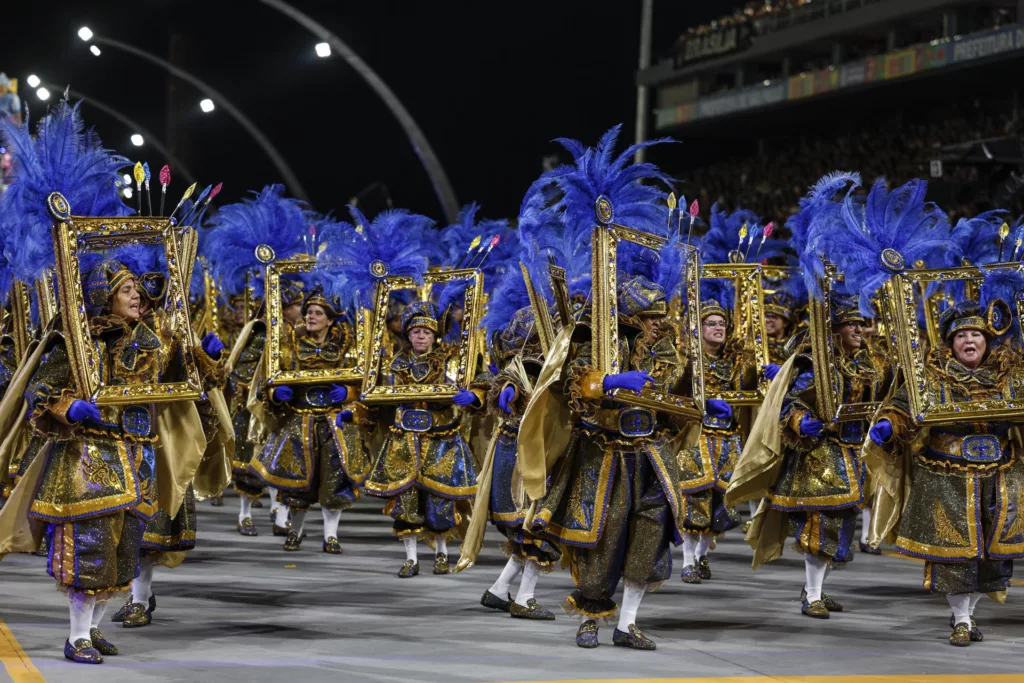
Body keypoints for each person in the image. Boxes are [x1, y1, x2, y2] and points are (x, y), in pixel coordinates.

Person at [865, 296, 1024, 646]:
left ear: (988, 341)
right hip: (946, 479)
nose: (969, 341)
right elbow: (902, 407)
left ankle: (966, 611)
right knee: (955, 556)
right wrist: (890, 425)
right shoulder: (931, 379)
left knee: (993, 558)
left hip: (1001, 477)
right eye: (961, 335)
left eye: (976, 335)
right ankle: (963, 619)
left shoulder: (1012, 374)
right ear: (950, 344)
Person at [364, 300, 479, 577]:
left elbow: (472, 383)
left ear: (434, 336)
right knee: (406, 502)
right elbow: (374, 394)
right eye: (416, 332)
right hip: (404, 440)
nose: (421, 336)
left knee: (440, 500)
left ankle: (441, 554)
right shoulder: (395, 364)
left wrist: (472, 395)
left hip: (441, 440)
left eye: (426, 332)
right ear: (408, 335)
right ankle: (411, 559)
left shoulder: (450, 361)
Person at [250, 287, 369, 553]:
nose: (311, 317)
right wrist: (276, 393)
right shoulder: (289, 346)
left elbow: (366, 385)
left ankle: (330, 536)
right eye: (309, 312)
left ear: (330, 319)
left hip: (333, 424)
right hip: (298, 422)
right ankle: (295, 531)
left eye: (318, 313)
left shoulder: (347, 349)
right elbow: (266, 382)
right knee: (298, 484)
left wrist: (348, 392)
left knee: (333, 482)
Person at [677, 293, 745, 583]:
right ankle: (688, 561)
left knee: (722, 506)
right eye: (711, 324)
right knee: (695, 502)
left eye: (722, 324)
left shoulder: (733, 364)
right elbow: (676, 395)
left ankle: (703, 556)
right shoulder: (688, 363)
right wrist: (703, 405)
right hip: (697, 438)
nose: (718, 328)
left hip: (727, 440)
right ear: (698, 329)